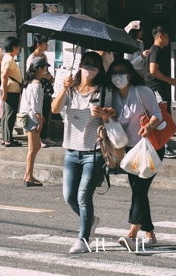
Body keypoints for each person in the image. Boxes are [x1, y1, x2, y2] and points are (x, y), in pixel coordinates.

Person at [52, 50, 112, 254]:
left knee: (84, 196)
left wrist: (103, 114)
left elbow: (112, 117)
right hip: (71, 150)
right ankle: (91, 220)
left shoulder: (103, 91)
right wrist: (63, 88)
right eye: (86, 65)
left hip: (93, 151)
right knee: (69, 196)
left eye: (94, 66)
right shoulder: (70, 89)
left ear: (99, 69)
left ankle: (83, 239)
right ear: (79, 66)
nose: (89, 69)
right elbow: (54, 109)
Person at [106, 58, 163, 251]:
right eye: (114, 73)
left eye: (122, 72)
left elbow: (157, 114)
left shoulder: (142, 91)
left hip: (149, 148)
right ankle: (150, 234)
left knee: (140, 190)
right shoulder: (112, 95)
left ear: (130, 74)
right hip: (129, 150)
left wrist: (148, 126)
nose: (118, 76)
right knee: (139, 191)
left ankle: (131, 234)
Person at [145, 25, 176, 158]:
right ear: (160, 36)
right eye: (167, 37)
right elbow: (153, 70)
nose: (168, 40)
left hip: (157, 88)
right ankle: (163, 145)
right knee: (161, 116)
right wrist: (168, 80)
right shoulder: (155, 51)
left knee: (160, 116)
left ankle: (160, 144)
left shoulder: (153, 51)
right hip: (156, 89)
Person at [21, 56, 50, 186]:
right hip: (33, 117)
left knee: (35, 146)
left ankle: (28, 174)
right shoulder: (37, 84)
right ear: (39, 68)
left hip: (27, 116)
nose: (46, 70)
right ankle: (28, 175)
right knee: (33, 148)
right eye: (45, 67)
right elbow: (36, 105)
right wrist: (40, 120)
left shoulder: (28, 82)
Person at [27, 34, 56, 145]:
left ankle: (45, 136)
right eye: (45, 43)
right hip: (37, 86)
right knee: (38, 111)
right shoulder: (31, 58)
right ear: (38, 45)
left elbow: (46, 71)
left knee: (46, 110)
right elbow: (30, 74)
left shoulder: (44, 57)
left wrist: (50, 77)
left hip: (46, 87)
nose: (47, 45)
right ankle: (38, 137)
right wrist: (45, 77)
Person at [0, 37, 23, 147]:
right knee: (10, 115)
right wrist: (5, 92)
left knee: (6, 115)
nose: (19, 49)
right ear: (14, 48)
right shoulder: (9, 59)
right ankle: (8, 139)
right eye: (18, 47)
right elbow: (5, 77)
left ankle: (5, 138)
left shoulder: (6, 58)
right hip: (11, 90)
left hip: (9, 89)